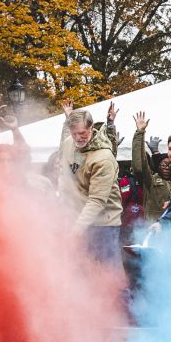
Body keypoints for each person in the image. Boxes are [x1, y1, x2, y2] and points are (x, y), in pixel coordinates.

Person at [58, 109, 122, 265]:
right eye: (74, 134)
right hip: (76, 218)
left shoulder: (103, 158)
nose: (78, 138)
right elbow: (63, 171)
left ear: (91, 127)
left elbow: (96, 201)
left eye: (82, 133)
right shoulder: (68, 143)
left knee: (109, 273)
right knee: (80, 272)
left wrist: (76, 231)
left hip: (103, 224)